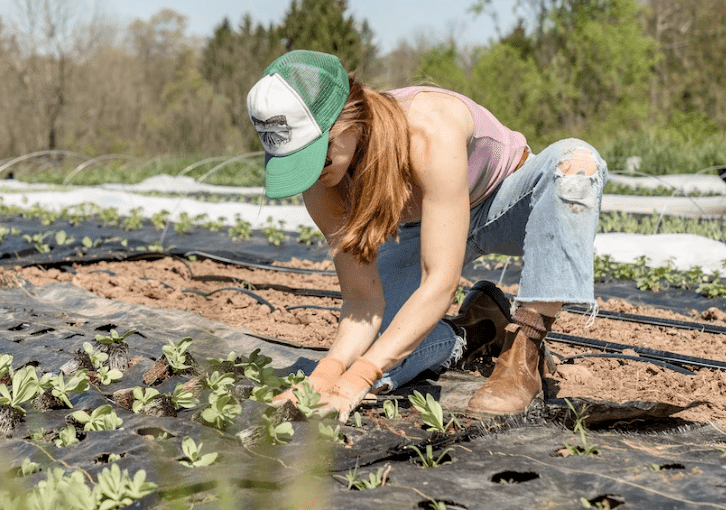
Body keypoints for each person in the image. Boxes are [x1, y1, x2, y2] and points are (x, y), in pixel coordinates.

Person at [246, 50, 607, 420]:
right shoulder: (323, 180)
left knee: (576, 165)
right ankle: (476, 331)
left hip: (505, 205)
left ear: (348, 118)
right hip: (426, 229)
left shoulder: (427, 128)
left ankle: (524, 349)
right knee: (378, 357)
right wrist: (326, 376)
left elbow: (440, 282)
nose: (313, 174)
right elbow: (362, 300)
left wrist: (356, 379)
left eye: (316, 156)